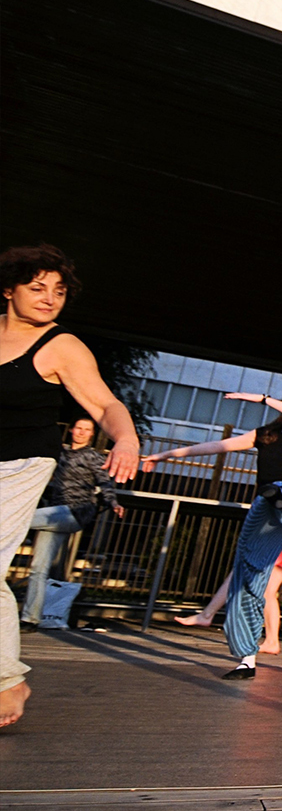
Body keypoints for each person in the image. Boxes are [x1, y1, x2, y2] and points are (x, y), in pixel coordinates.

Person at [1, 245, 140, 727]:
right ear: (8, 289)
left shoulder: (61, 346)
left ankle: (6, 680)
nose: (48, 298)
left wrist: (125, 439)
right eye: (36, 287)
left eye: (58, 291)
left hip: (21, 464)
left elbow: (105, 405)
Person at [143, 388, 282, 678]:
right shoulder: (265, 435)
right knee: (248, 575)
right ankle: (247, 659)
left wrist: (263, 399)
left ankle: (281, 495)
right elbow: (218, 447)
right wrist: (166, 454)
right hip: (266, 510)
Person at [22, 417, 124, 625]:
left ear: (91, 434)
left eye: (86, 430)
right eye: (79, 428)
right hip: (54, 514)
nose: (81, 432)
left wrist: (113, 502)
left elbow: (104, 481)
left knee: (19, 518)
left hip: (75, 512)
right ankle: (30, 619)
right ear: (72, 430)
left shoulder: (92, 457)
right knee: (38, 569)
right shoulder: (59, 452)